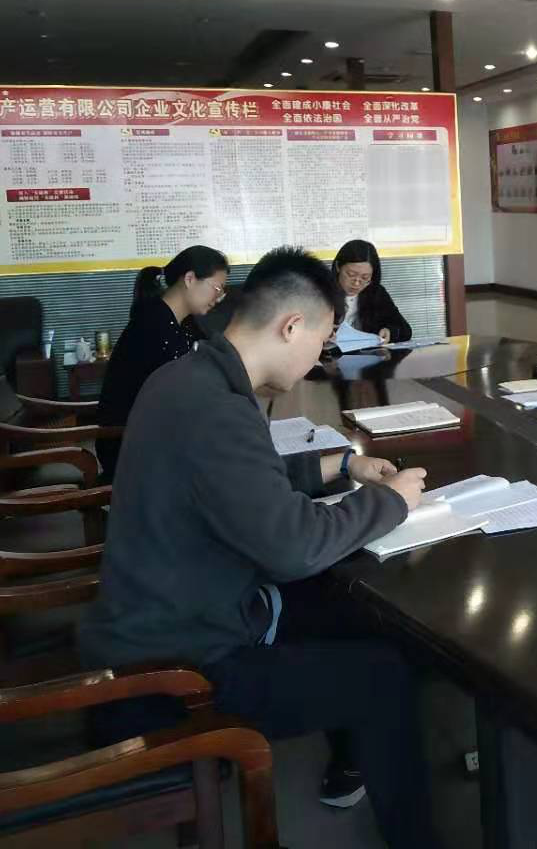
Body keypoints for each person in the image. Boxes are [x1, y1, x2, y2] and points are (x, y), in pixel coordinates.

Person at [79, 246, 438, 848]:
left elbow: (240, 480)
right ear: (291, 326)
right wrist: (392, 502)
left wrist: (340, 466)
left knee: (355, 615)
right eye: (320, 340)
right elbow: (294, 546)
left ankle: (355, 755)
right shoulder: (216, 406)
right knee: (382, 675)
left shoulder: (193, 376)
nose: (318, 356)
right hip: (180, 663)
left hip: (175, 612)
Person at [96, 244, 228, 481]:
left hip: (157, 429)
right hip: (131, 443)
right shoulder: (152, 324)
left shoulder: (179, 322)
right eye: (216, 288)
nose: (218, 298)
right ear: (190, 279)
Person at [332, 239, 412, 342]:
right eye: (351, 274)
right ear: (338, 266)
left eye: (365, 278)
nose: (356, 283)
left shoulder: (376, 293)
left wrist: (389, 332)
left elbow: (405, 330)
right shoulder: (320, 292)